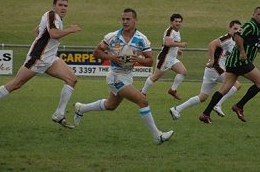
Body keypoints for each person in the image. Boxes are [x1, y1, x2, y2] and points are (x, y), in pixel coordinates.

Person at [73, 8, 174, 144]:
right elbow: (96, 52)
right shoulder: (112, 36)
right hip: (114, 76)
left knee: (111, 105)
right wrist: (112, 58)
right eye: (123, 19)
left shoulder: (142, 39)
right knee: (142, 101)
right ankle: (157, 136)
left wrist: (137, 59)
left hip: (127, 76)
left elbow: (150, 62)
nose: (125, 22)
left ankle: (81, 108)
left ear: (135, 20)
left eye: (128, 19)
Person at [0, 0, 81, 128]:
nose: (63, 8)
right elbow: (54, 34)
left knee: (71, 79)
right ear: (54, 6)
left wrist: (41, 31)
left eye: (65, 5)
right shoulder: (52, 15)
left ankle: (59, 114)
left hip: (49, 59)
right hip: (38, 58)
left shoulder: (54, 18)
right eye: (60, 5)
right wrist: (70, 30)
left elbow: (38, 30)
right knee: (16, 84)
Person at [199, 6, 260, 124]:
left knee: (224, 89)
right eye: (259, 14)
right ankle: (239, 106)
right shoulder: (250, 26)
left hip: (233, 63)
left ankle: (205, 114)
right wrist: (242, 52)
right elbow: (237, 36)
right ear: (253, 14)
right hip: (240, 62)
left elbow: (256, 47)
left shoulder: (258, 30)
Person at [169, 20, 242, 120]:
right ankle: (217, 105)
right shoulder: (227, 39)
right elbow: (211, 45)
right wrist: (212, 60)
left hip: (211, 70)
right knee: (236, 84)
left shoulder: (235, 41)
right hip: (215, 68)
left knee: (202, 97)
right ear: (230, 28)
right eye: (235, 28)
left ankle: (176, 109)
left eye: (239, 29)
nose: (237, 31)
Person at [141, 14, 188, 100]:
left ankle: (172, 90)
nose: (178, 23)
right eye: (176, 21)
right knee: (155, 77)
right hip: (165, 58)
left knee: (183, 72)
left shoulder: (177, 31)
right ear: (171, 22)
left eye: (179, 21)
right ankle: (143, 93)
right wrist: (180, 44)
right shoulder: (170, 31)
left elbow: (170, 44)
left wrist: (178, 50)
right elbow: (167, 43)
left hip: (172, 58)